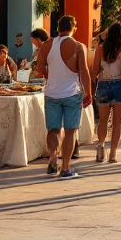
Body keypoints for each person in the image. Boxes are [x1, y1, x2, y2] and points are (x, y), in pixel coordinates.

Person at [34, 16, 92, 179]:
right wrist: (89, 93)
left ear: (58, 27)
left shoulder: (47, 45)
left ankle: (53, 156)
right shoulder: (78, 47)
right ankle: (66, 167)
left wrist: (50, 71)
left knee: (52, 129)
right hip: (71, 93)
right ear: (74, 28)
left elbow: (39, 68)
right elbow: (84, 72)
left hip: (51, 92)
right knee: (70, 130)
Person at [91, 22, 121, 163]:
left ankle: (101, 146)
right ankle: (113, 153)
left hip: (103, 84)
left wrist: (93, 86)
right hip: (120, 84)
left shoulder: (100, 48)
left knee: (103, 120)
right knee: (117, 123)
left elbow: (94, 72)